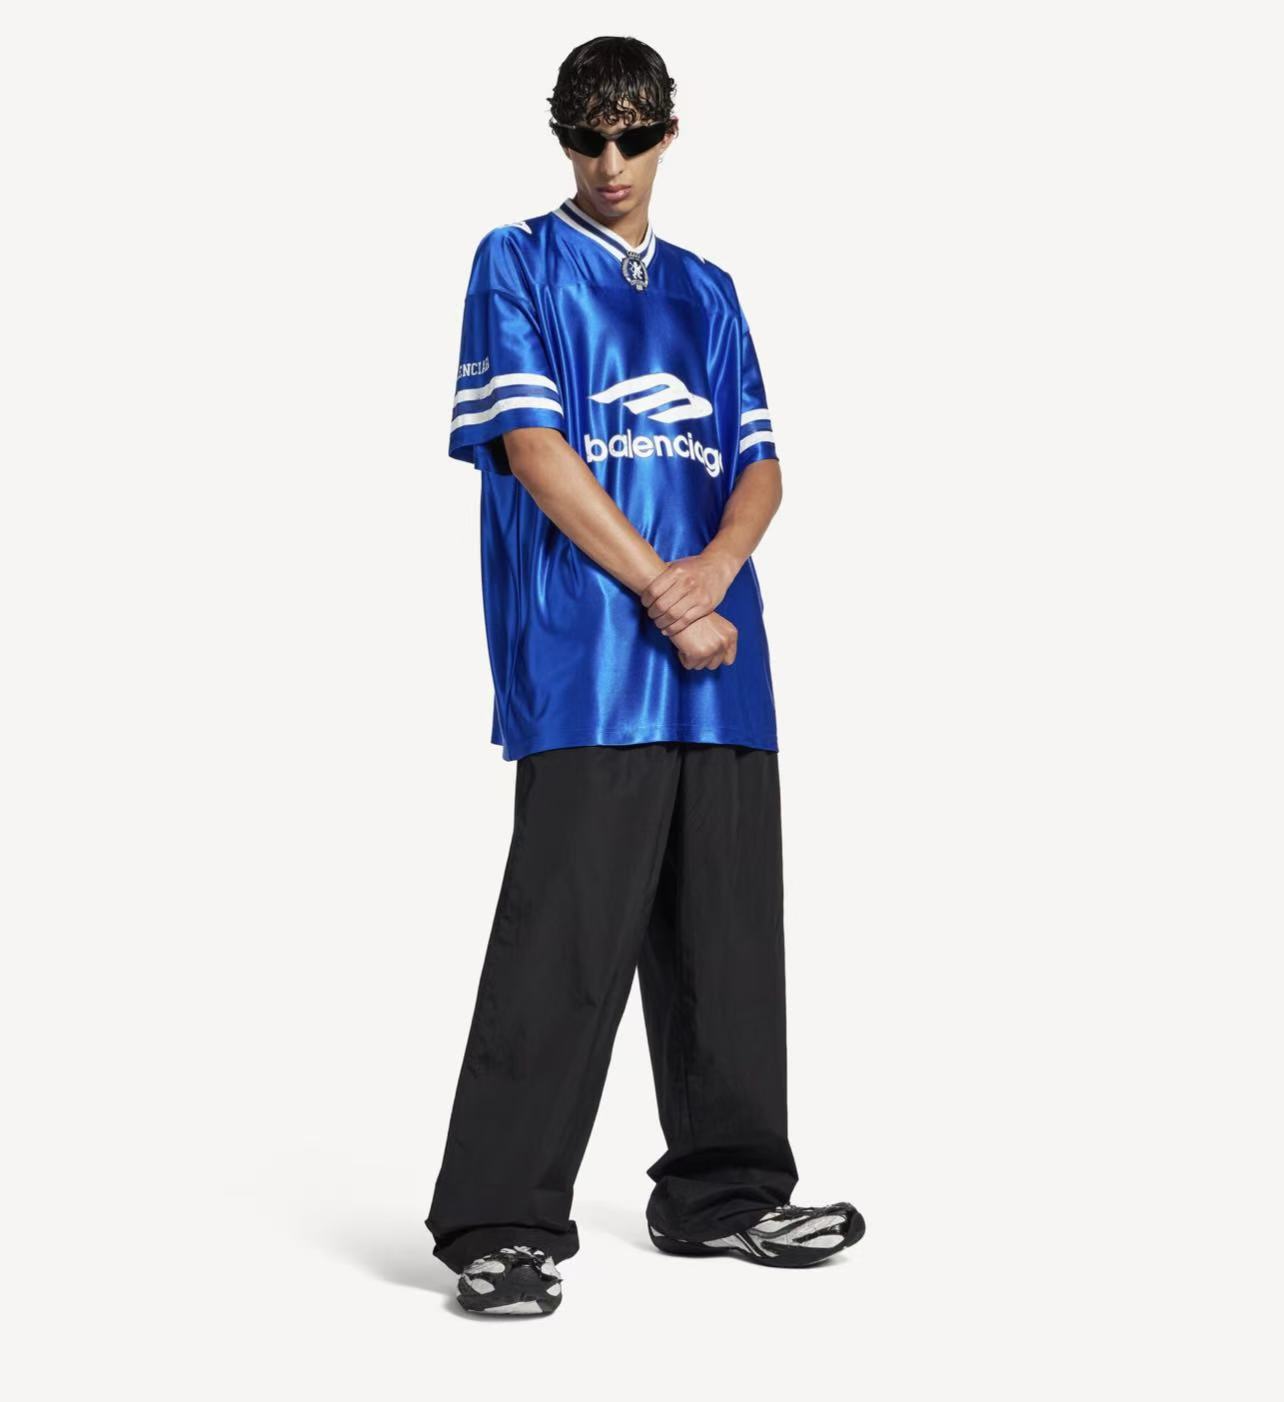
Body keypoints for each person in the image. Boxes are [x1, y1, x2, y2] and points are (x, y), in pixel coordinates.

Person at [426, 35, 864, 1316]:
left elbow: (761, 463)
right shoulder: (516, 261)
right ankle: (499, 1223)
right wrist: (663, 591)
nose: (608, 162)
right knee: (564, 941)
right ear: (562, 136)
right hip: (589, 658)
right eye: (585, 137)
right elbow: (535, 449)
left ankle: (726, 1193)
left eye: (630, 137)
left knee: (727, 936)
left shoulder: (708, 291)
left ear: (670, 133)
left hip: (722, 657)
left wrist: (712, 573)